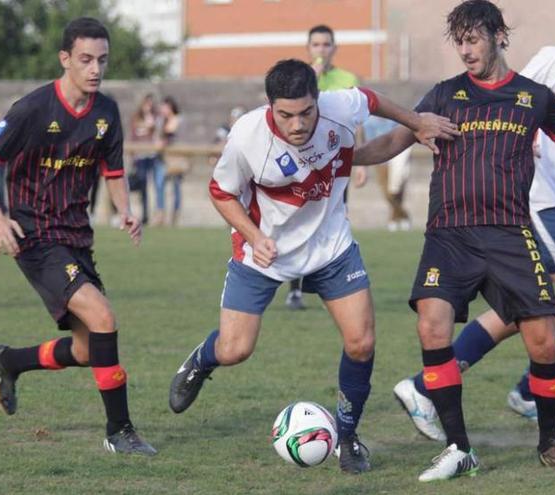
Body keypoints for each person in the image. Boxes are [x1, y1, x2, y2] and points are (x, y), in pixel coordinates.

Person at [353, 0, 555, 480]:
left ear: (499, 35)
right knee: (432, 328)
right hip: (449, 235)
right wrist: (346, 158)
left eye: (473, 38)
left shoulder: (533, 96)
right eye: (458, 41)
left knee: (543, 344)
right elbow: (395, 140)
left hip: (509, 235)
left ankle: (549, 443)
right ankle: (460, 449)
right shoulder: (444, 94)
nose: (465, 50)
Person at [166, 58, 459, 474]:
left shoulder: (339, 107)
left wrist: (416, 122)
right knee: (236, 349)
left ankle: (348, 436)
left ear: (318, 100)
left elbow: (372, 101)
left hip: (330, 246)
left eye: (306, 112)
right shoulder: (247, 137)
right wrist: (254, 236)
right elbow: (220, 193)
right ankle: (201, 360)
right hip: (264, 253)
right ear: (270, 107)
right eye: (286, 115)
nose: (298, 124)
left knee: (361, 342)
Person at [0, 17, 155, 456]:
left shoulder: (106, 113)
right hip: (33, 234)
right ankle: (119, 431)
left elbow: (113, 171)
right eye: (86, 60)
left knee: (90, 349)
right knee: (104, 316)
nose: (95, 69)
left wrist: (125, 209)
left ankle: (10, 360)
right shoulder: (33, 109)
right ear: (65, 59)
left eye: (102, 61)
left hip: (75, 237)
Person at [284, 24, 367, 311]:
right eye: (316, 45)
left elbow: (355, 121)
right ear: (309, 49)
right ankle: (295, 289)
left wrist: (360, 161)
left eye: (326, 44)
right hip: (304, 164)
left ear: (334, 48)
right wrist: (312, 80)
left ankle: (333, 285)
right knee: (298, 224)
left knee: (335, 219)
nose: (321, 50)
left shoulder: (347, 78)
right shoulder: (298, 79)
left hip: (337, 165)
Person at [362, 115, 412, 231]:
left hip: (393, 159)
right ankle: (404, 215)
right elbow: (370, 141)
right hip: (379, 160)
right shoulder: (369, 123)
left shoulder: (392, 121)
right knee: (386, 192)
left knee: (396, 190)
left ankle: (394, 219)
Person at [128, 93, 158, 225]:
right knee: (141, 182)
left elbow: (153, 128)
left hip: (150, 155)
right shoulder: (136, 118)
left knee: (150, 186)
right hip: (140, 156)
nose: (149, 106)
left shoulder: (153, 117)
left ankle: (147, 214)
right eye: (147, 103)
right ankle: (134, 212)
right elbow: (134, 136)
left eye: (150, 103)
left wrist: (148, 115)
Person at [155, 96, 184, 226]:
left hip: (175, 157)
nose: (162, 109)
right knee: (159, 185)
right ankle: (160, 215)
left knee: (176, 187)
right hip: (162, 158)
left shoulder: (178, 120)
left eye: (164, 107)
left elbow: (171, 134)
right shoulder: (160, 121)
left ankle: (175, 216)